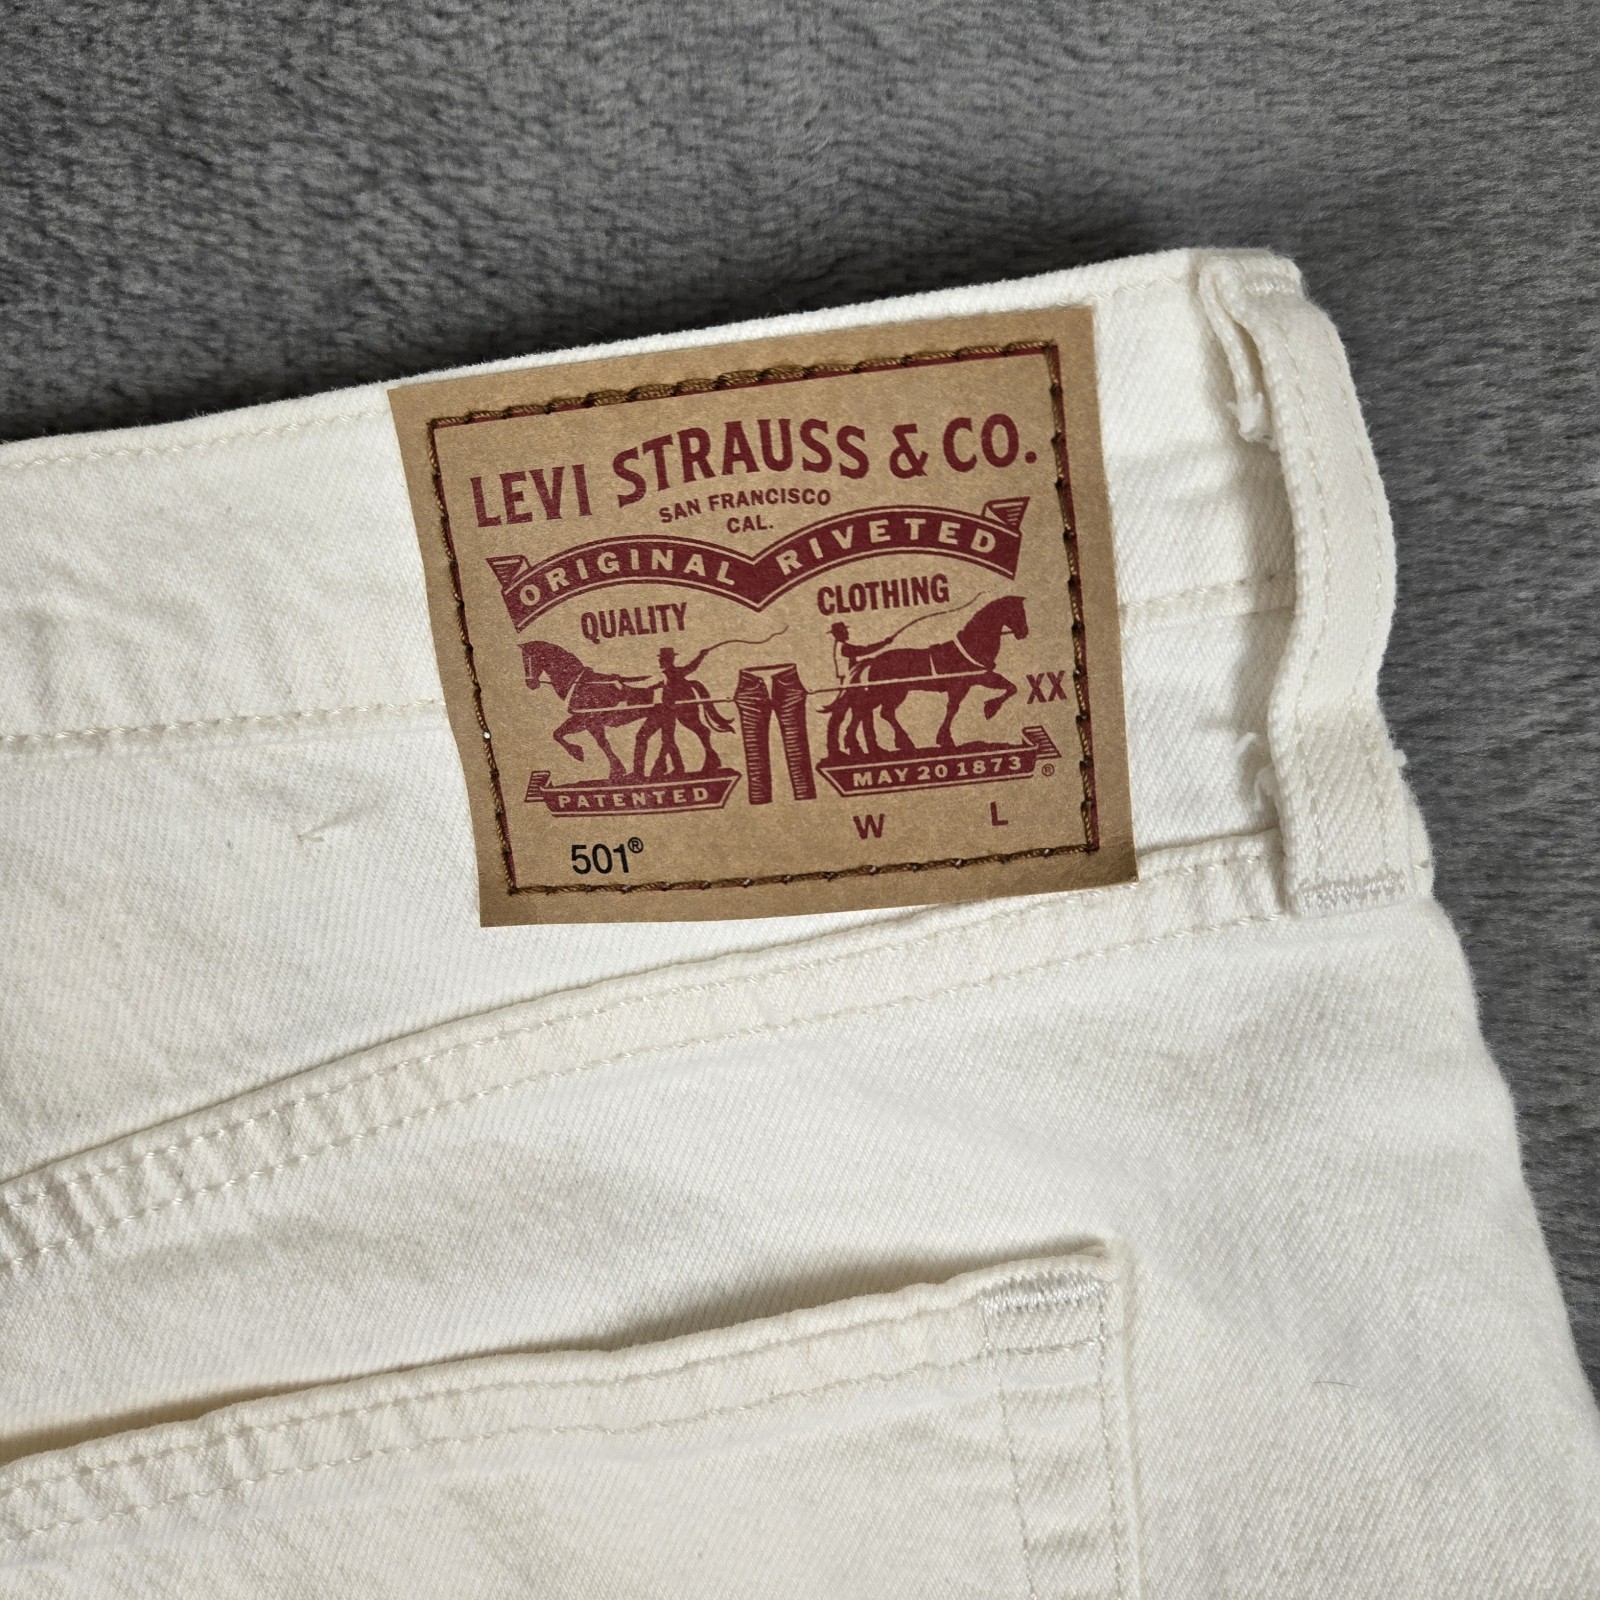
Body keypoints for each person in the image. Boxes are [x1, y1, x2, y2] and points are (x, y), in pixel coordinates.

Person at [635, 643, 734, 778]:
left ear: (670, 660)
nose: (661, 661)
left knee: (678, 734)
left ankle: (670, 765)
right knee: (669, 738)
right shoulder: (663, 675)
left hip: (676, 708)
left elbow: (692, 666)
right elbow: (654, 685)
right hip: (666, 711)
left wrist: (701, 655)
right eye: (661, 659)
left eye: (664, 659)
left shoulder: (676, 672)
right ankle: (668, 766)